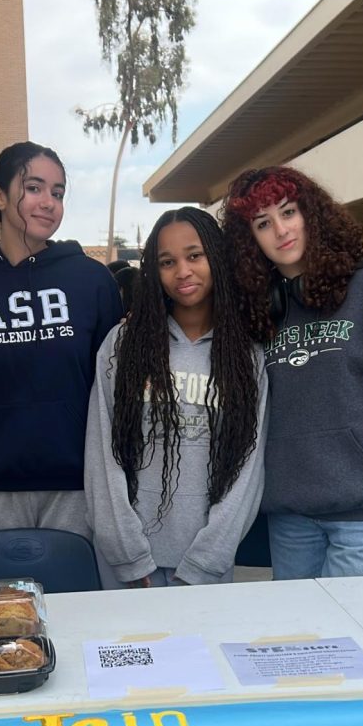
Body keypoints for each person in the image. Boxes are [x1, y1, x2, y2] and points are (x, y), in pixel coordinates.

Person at [221, 165, 363, 579]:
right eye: (262, 223)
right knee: (301, 639)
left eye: (288, 212)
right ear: (250, 241)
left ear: (312, 214)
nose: (280, 230)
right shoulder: (257, 315)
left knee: (356, 642)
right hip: (291, 516)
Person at [0, 141, 123, 558]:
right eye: (34, 188)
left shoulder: (92, 282)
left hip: (78, 489)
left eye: (58, 192)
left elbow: (116, 395)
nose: (48, 202)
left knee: (80, 616)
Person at [85, 206, 268, 587]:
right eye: (167, 261)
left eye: (195, 256)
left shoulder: (246, 356)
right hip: (130, 566)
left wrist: (207, 561)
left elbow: (247, 470)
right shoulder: (122, 346)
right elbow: (102, 456)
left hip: (204, 566)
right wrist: (128, 557)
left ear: (215, 258)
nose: (182, 271)